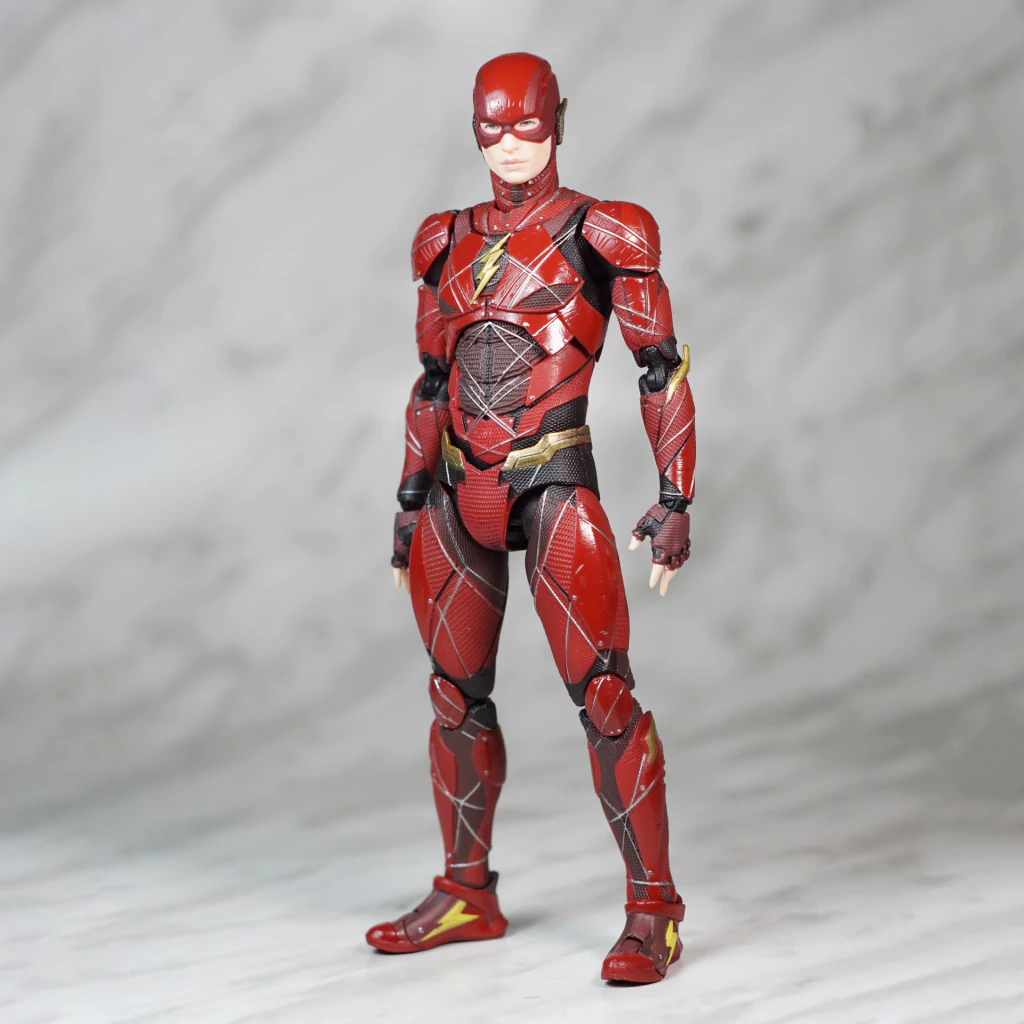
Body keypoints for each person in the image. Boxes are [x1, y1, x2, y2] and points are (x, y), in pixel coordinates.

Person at [367, 51, 696, 985]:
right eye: (493, 127)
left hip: (552, 480)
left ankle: (654, 912)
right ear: (474, 129)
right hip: (454, 489)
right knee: (454, 698)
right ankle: (466, 892)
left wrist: (675, 496)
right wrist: (408, 500)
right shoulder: (443, 240)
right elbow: (432, 381)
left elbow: (661, 367)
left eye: (528, 125)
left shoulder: (606, 231)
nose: (511, 144)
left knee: (606, 698)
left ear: (558, 120)